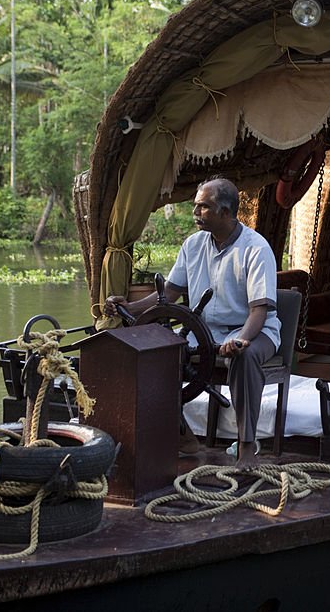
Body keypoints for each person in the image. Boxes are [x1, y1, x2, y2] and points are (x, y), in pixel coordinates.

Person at [104, 178, 280, 468]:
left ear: (226, 212)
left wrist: (240, 340)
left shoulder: (256, 249)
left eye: (204, 207)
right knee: (153, 354)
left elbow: (259, 311)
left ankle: (246, 448)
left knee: (245, 357)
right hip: (203, 333)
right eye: (195, 206)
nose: (196, 213)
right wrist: (129, 306)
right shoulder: (193, 245)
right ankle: (183, 434)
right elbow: (169, 294)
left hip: (255, 330)